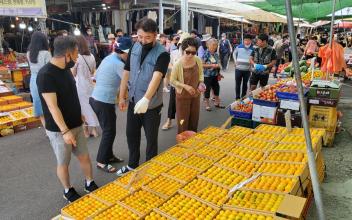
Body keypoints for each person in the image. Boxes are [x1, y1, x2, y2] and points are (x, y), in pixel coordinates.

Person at [37, 36, 98, 203]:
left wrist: (79, 114)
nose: (78, 57)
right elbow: (52, 107)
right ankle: (67, 189)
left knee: (84, 156)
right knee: (63, 162)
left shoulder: (66, 69)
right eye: (76, 53)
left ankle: (89, 182)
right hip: (59, 130)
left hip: (76, 123)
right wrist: (65, 131)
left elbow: (71, 95)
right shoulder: (46, 75)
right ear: (67, 54)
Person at [117, 18, 170, 176]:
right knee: (131, 134)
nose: (143, 40)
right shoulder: (135, 46)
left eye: (147, 37)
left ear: (155, 35)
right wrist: (122, 96)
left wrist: (146, 99)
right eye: (140, 37)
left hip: (152, 105)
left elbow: (157, 76)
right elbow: (127, 72)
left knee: (151, 138)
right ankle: (133, 164)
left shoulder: (162, 54)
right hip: (133, 100)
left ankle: (149, 169)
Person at [90, 37, 132, 173]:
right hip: (103, 102)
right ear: (124, 52)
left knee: (109, 130)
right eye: (129, 54)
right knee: (109, 132)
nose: (129, 57)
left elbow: (95, 77)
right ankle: (101, 161)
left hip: (96, 98)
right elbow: (127, 83)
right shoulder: (119, 64)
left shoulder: (108, 58)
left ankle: (109, 155)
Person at [170, 37, 205, 133]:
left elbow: (201, 73)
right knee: (182, 120)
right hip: (182, 97)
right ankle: (182, 140)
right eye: (188, 52)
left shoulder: (197, 60)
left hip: (196, 95)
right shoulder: (178, 64)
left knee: (194, 119)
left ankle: (192, 141)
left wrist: (201, 83)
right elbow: (172, 80)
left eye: (193, 52)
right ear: (183, 50)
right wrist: (185, 86)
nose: (190, 55)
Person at [71, 35, 99, 138]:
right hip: (90, 85)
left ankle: (86, 131)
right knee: (91, 107)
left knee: (82, 108)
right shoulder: (91, 56)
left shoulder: (77, 58)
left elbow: (73, 73)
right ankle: (94, 130)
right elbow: (93, 71)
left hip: (80, 86)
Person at [162, 32, 191, 131]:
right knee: (172, 104)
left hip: (188, 84)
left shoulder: (192, 55)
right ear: (180, 44)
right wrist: (175, 68)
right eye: (184, 44)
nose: (186, 46)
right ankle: (169, 121)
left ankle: (184, 124)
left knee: (185, 106)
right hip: (176, 83)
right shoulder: (174, 53)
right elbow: (168, 64)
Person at [27, 31, 52, 126]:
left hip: (33, 80)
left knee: (39, 104)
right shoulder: (46, 53)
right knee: (50, 103)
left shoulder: (29, 53)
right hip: (45, 79)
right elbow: (50, 69)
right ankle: (52, 128)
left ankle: (46, 129)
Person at [203, 38, 225, 111]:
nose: (214, 46)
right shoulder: (205, 53)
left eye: (216, 45)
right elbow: (202, 65)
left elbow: (218, 64)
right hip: (207, 75)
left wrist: (219, 73)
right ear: (208, 45)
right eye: (213, 45)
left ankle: (217, 103)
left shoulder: (216, 54)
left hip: (215, 75)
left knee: (216, 89)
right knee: (207, 90)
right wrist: (212, 65)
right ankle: (207, 105)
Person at [233, 34, 254, 100]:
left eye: (248, 40)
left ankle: (243, 97)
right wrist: (235, 61)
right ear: (243, 40)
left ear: (251, 40)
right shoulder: (239, 47)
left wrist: (252, 66)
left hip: (247, 69)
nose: (246, 42)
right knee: (238, 84)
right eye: (245, 40)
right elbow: (234, 53)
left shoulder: (253, 48)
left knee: (245, 84)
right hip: (238, 68)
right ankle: (237, 97)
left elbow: (254, 58)